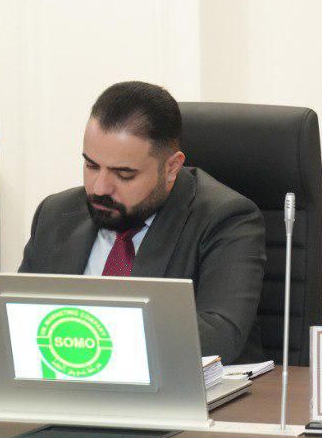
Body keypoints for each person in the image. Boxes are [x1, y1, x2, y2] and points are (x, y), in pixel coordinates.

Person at [18, 81, 266, 363]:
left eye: (124, 174)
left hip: (175, 388)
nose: (100, 187)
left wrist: (83, 336)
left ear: (171, 168)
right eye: (91, 166)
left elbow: (220, 337)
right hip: (63, 382)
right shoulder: (56, 213)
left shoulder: (226, 219)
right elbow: (18, 316)